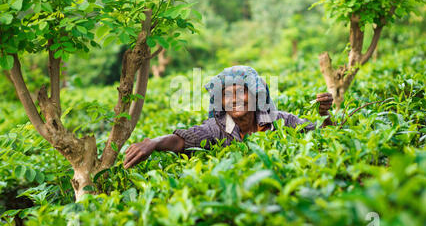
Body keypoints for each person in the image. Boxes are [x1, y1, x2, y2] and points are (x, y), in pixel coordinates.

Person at [123, 65, 333, 169]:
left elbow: (324, 134)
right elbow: (181, 140)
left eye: (240, 92)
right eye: (226, 94)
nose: (235, 100)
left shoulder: (280, 121)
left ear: (254, 95)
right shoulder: (217, 128)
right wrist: (153, 143)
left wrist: (325, 114)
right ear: (220, 102)